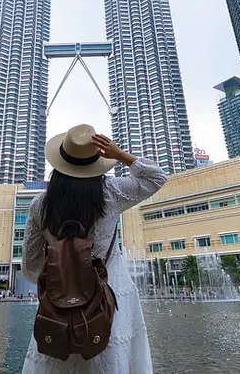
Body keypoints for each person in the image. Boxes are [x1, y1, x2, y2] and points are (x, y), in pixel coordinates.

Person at [21, 124, 168, 374]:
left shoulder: (40, 204)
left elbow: (30, 266)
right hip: (109, 294)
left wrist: (64, 282)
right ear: (97, 160)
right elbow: (157, 177)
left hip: (58, 303)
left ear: (59, 163)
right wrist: (120, 154)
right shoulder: (112, 192)